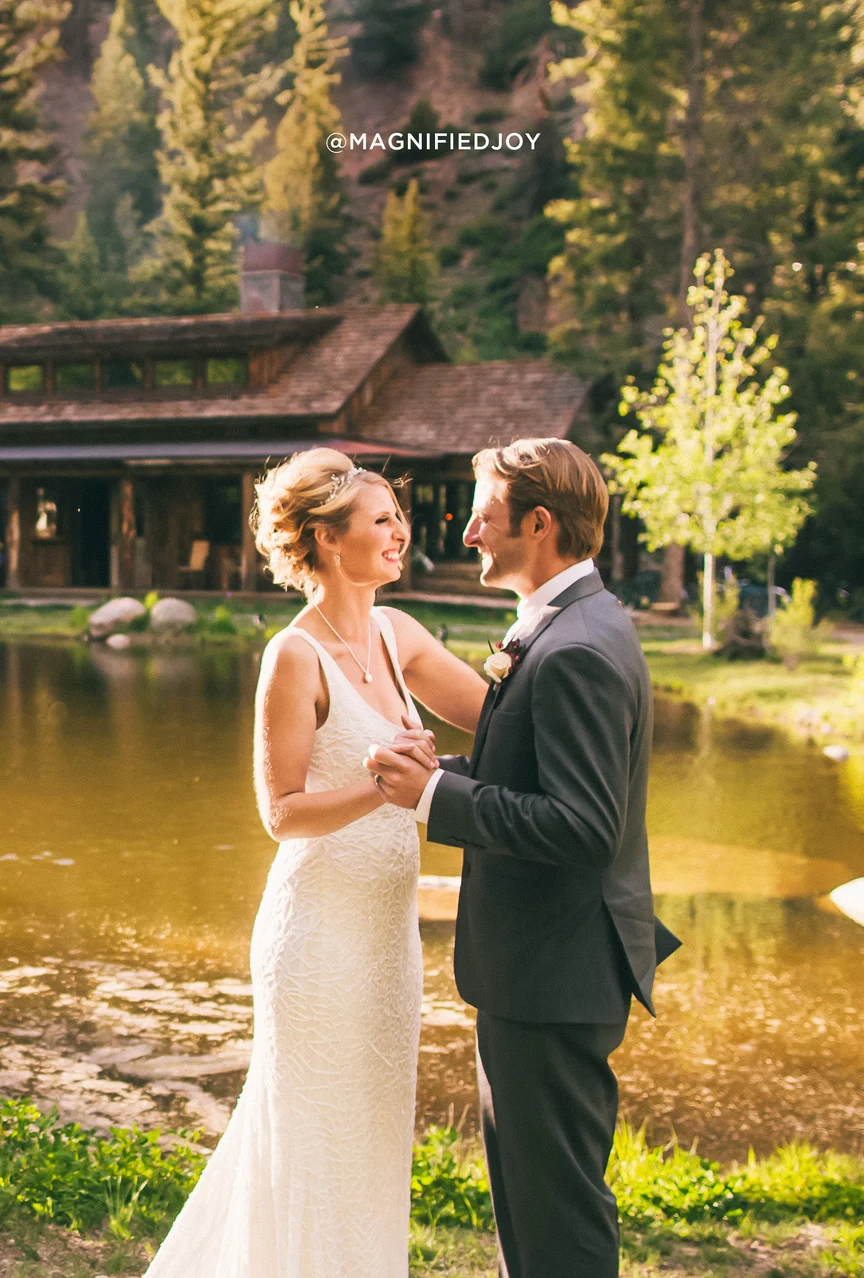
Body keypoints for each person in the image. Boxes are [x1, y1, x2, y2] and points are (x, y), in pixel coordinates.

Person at [142, 448, 487, 1278]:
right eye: (381, 520)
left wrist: (566, 658)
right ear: (331, 543)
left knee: (371, 1135)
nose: (400, 530)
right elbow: (282, 814)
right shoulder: (294, 657)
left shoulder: (398, 633)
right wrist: (388, 784)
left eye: (396, 517)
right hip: (317, 939)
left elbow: (498, 714)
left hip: (385, 943)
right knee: (306, 1138)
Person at [366, 437, 681, 1278]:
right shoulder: (574, 623)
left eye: (483, 516)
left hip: (554, 971)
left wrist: (436, 802)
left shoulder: (575, 649)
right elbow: (538, 780)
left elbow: (583, 826)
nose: (467, 534)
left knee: (556, 1221)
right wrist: (441, 774)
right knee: (536, 1209)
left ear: (538, 525)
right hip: (548, 967)